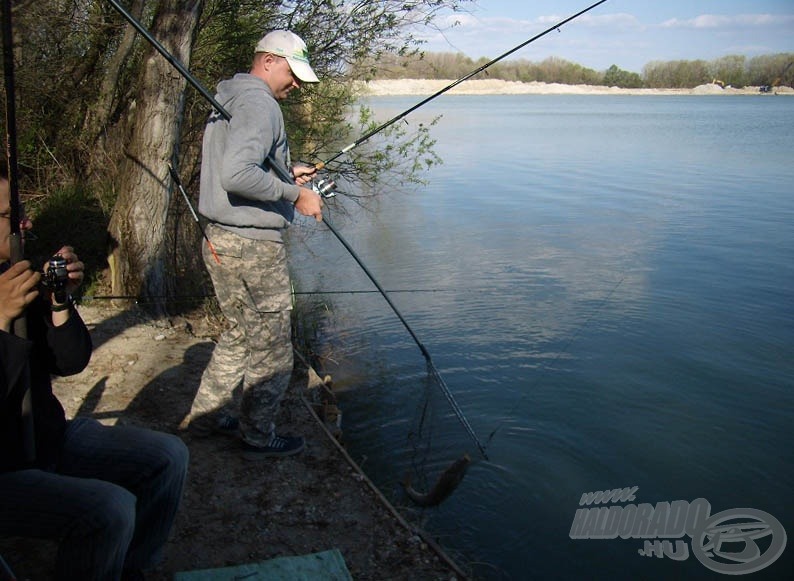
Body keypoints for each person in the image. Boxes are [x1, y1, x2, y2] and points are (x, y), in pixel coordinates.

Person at [0, 166, 189, 580]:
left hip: (46, 439)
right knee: (110, 509)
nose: (23, 223)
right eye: (6, 218)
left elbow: (69, 363)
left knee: (169, 456)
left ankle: (131, 569)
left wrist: (59, 303)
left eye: (18, 211)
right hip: (5, 468)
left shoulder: (13, 274)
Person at [184, 30, 324, 459]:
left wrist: (286, 172)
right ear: (268, 61)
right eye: (292, 73)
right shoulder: (261, 104)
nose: (296, 84)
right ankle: (258, 435)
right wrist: (295, 194)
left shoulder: (232, 95)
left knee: (240, 333)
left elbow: (241, 164)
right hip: (252, 245)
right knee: (274, 347)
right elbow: (238, 175)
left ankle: (206, 417)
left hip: (220, 238)